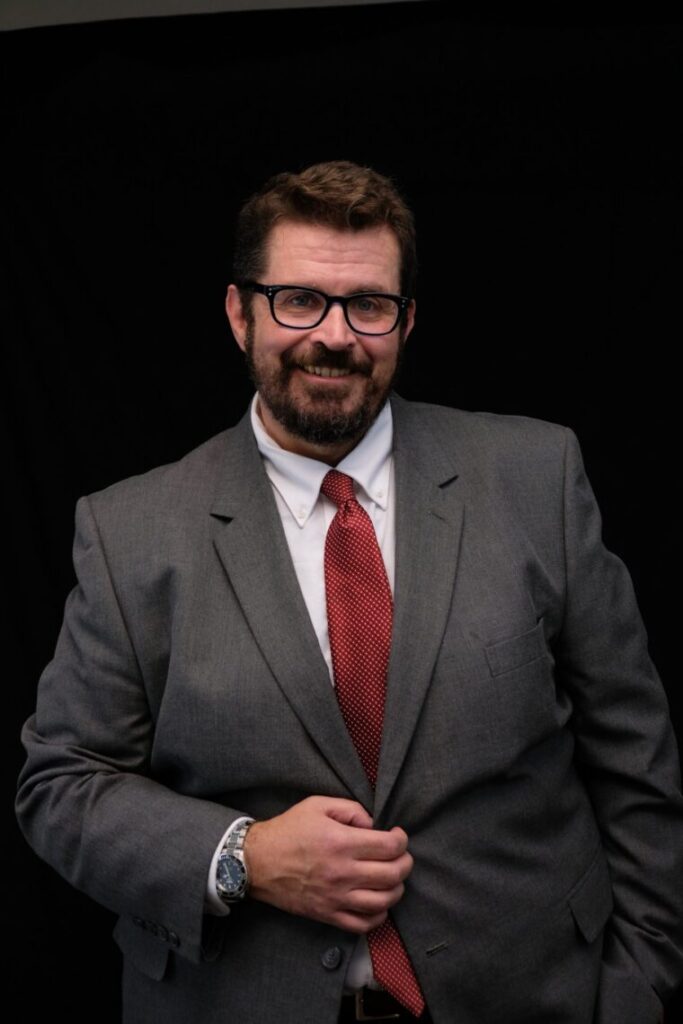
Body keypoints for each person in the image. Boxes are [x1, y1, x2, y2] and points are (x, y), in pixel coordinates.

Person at [16, 160, 683, 1024]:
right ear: (239, 313)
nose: (334, 335)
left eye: (368, 305)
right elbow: (61, 784)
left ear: (406, 323)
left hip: (535, 997)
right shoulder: (130, 532)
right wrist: (243, 857)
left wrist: (635, 991)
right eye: (299, 299)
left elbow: (635, 758)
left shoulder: (534, 477)